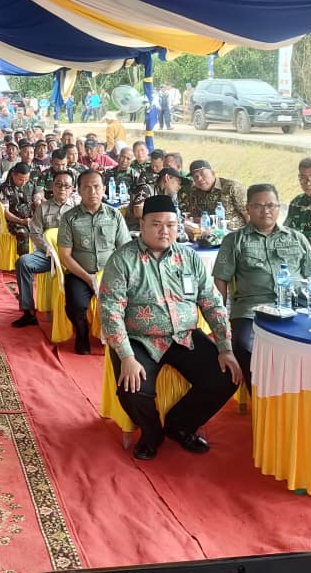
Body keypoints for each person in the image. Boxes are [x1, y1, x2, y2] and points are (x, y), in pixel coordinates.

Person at [99, 195, 242, 460]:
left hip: (185, 336)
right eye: (156, 224)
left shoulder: (189, 258)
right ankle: (152, 433)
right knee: (132, 388)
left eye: (171, 225)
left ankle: (180, 425)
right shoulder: (122, 260)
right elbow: (111, 312)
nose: (164, 231)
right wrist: (127, 357)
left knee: (227, 376)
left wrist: (225, 347)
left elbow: (212, 302)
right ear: (142, 225)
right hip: (140, 339)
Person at [213, 184, 311, 389]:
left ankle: (301, 393)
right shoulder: (234, 240)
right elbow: (220, 281)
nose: (266, 211)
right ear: (248, 208)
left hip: (297, 306)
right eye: (258, 206)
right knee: (243, 345)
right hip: (252, 309)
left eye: (271, 205)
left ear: (279, 207)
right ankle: (262, 396)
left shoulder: (296, 238)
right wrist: (221, 318)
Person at [57, 170, 131, 354]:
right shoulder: (69, 218)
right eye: (87, 187)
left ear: (104, 189)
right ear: (79, 191)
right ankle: (82, 334)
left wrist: (115, 275)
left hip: (110, 273)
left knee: (129, 298)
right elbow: (65, 256)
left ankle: (120, 338)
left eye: (97, 187)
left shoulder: (114, 215)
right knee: (75, 305)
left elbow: (125, 250)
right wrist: (88, 278)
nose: (93, 192)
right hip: (79, 273)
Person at [13, 169, 78, 328]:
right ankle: (28, 311)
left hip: (74, 256)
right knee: (23, 262)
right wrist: (47, 247)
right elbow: (35, 233)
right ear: (52, 186)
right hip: (49, 256)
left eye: (66, 186)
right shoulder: (43, 208)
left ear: (72, 188)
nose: (62, 189)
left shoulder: (78, 208)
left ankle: (78, 315)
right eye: (58, 185)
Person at [178, 160, 247, 238]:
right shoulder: (194, 192)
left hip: (235, 235)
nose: (199, 179)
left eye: (203, 174)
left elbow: (248, 214)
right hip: (207, 235)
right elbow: (197, 217)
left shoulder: (232, 187)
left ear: (213, 173)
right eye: (195, 177)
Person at [0, 163, 37, 257]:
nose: (24, 182)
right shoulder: (5, 188)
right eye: (20, 179)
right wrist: (21, 221)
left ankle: (41, 259)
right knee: (22, 232)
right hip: (14, 220)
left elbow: (37, 202)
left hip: (30, 218)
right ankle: (23, 260)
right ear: (13, 175)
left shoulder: (31, 184)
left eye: (26, 179)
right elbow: (6, 213)